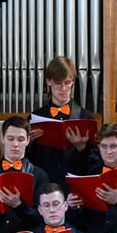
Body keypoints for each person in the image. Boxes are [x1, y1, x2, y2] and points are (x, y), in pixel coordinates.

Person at [28, 55, 99, 185]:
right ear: (48, 81)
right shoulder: (35, 117)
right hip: (44, 185)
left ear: (73, 82)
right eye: (58, 83)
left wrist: (81, 147)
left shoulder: (86, 117)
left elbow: (96, 163)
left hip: (75, 186)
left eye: (67, 83)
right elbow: (28, 162)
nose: (63, 89)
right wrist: (28, 143)